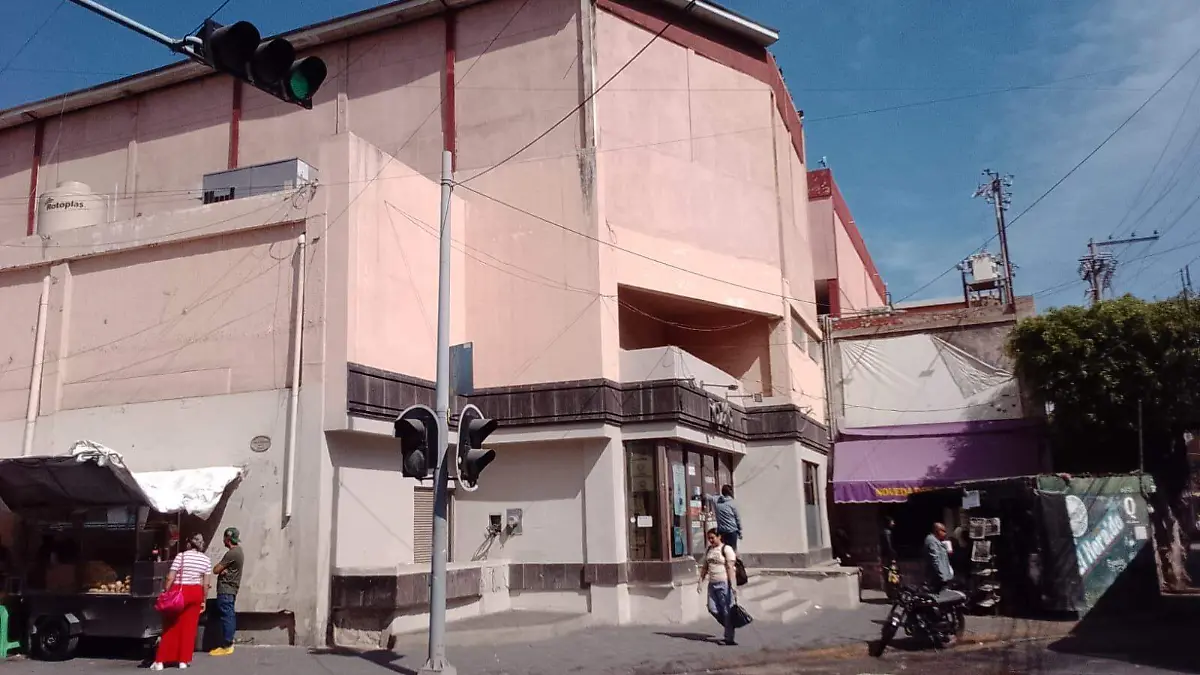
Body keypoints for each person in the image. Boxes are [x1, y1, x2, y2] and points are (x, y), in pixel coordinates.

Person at [152, 533, 210, 671]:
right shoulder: (206, 560)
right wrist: (204, 600)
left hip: (180, 592)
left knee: (171, 626)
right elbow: (206, 583)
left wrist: (166, 591)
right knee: (189, 628)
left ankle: (160, 661)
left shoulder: (181, 556)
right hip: (196, 593)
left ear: (189, 543)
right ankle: (183, 660)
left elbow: (170, 577)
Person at [697, 528, 738, 646]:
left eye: (712, 538)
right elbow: (705, 567)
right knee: (712, 608)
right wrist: (700, 581)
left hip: (724, 583)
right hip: (712, 583)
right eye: (709, 538)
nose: (710, 541)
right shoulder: (709, 549)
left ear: (719, 536)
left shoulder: (726, 549)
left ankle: (729, 638)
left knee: (726, 610)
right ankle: (729, 625)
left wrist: (733, 585)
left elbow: (730, 568)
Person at [210, 527, 245, 656]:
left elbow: (215, 569)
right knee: (228, 615)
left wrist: (221, 570)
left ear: (227, 539)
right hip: (231, 589)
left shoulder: (232, 553)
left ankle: (227, 645)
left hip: (226, 589)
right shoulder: (239, 551)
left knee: (227, 616)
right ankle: (228, 643)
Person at [924, 522, 956, 598]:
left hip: (940, 575)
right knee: (940, 596)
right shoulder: (931, 541)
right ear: (937, 531)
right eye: (943, 531)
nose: (945, 533)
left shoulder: (936, 540)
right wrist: (942, 576)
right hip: (937, 577)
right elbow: (935, 560)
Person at [713, 485, 743, 551]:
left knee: (722, 551)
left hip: (721, 532)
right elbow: (737, 518)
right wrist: (740, 531)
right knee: (731, 551)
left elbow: (708, 497)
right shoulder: (732, 503)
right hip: (732, 532)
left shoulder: (717, 501)